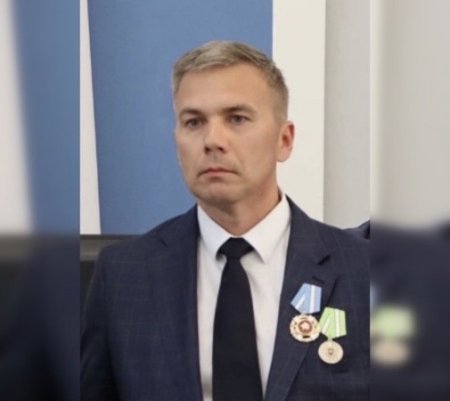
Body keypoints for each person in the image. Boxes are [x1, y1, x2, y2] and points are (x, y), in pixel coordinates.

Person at [81, 40, 369, 401]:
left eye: (237, 118)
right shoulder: (124, 275)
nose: (213, 140)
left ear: (284, 140)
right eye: (194, 122)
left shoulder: (364, 269)